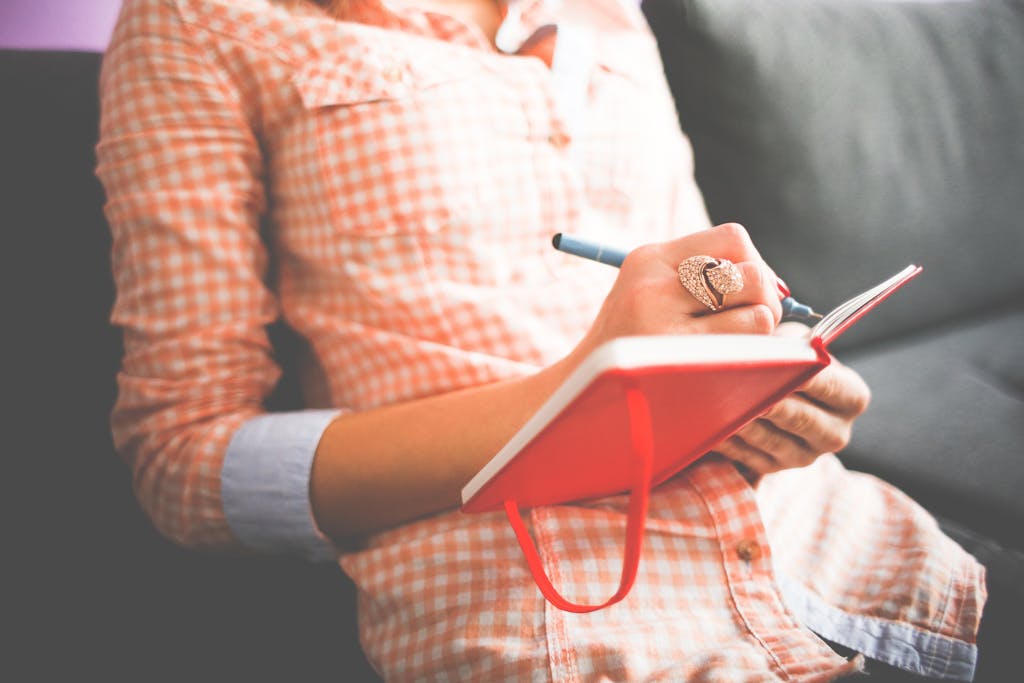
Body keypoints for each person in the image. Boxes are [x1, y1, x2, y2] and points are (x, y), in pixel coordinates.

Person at [96, 0, 986, 680]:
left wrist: (757, 380)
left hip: (841, 551)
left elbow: (695, 284)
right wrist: (582, 392)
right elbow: (182, 462)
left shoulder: (607, 13)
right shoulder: (200, 21)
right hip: (561, 610)